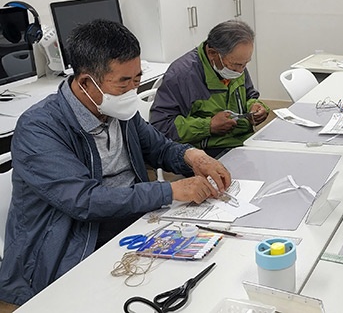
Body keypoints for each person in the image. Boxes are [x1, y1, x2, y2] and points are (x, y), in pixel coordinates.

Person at [0, 19, 232, 306]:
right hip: (72, 246)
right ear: (86, 82)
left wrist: (192, 156)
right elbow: (85, 200)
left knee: (208, 272)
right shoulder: (39, 128)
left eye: (136, 79)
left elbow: (159, 148)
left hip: (132, 223)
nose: (132, 91)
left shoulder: (117, 109)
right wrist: (171, 191)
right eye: (123, 82)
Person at [150, 20, 268, 158]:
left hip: (243, 142)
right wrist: (208, 126)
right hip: (205, 152)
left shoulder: (234, 65)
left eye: (245, 64)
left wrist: (255, 106)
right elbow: (161, 127)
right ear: (213, 53)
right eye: (236, 65)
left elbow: (250, 95)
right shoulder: (182, 75)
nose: (240, 71)